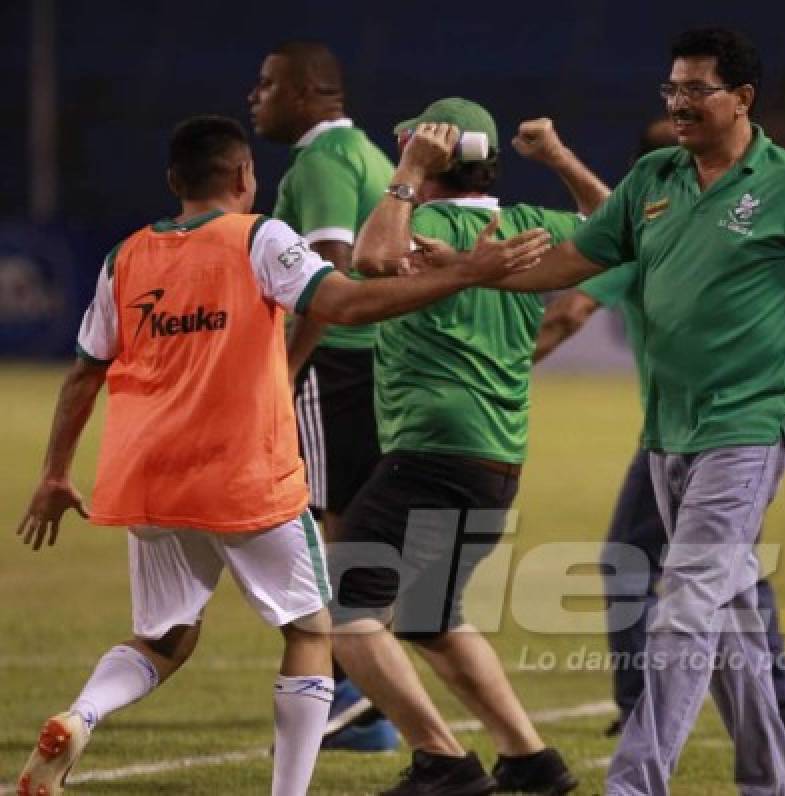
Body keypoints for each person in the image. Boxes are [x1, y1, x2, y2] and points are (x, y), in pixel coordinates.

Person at [14, 115, 548, 796]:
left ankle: (81, 715)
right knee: (311, 630)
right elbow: (346, 305)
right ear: (245, 177)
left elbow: (83, 374)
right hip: (244, 477)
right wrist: (469, 271)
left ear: (175, 182)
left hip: (148, 478)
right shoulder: (259, 236)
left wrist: (56, 472)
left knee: (164, 638)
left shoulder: (125, 256)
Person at [487, 27, 785, 795]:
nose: (678, 104)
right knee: (730, 616)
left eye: (695, 90)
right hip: (668, 432)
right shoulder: (652, 178)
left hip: (750, 425)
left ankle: (635, 784)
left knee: (683, 601)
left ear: (741, 99)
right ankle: (771, 783)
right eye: (671, 90)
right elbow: (574, 262)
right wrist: (475, 274)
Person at [327, 101, 607, 795]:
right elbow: (616, 225)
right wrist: (562, 159)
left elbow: (369, 259)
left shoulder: (416, 222)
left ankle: (443, 762)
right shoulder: (525, 227)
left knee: (342, 609)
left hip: (431, 448)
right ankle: (530, 761)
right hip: (495, 457)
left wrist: (406, 174)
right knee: (430, 618)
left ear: (432, 158)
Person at [535, 118, 785, 740]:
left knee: (625, 565)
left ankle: (640, 706)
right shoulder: (720, 222)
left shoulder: (653, 235)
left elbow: (571, 311)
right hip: (747, 422)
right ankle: (782, 705)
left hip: (689, 431)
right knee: (731, 564)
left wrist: (503, 366)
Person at [247, 41, 399, 748]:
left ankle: (351, 700)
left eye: (269, 84)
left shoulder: (323, 161)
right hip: (377, 365)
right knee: (355, 525)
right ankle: (367, 693)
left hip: (335, 365)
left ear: (309, 92)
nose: (257, 95)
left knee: (331, 526)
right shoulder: (366, 154)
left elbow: (330, 268)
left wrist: (283, 366)